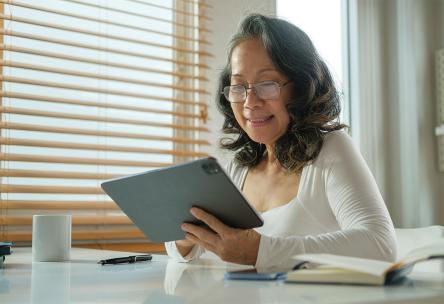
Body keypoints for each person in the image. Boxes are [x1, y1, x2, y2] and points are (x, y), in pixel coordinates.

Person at [165, 14, 397, 269]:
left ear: (301, 87)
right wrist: (186, 236)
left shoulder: (330, 150)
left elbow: (380, 244)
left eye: (267, 84)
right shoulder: (239, 167)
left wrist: (259, 251)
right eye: (239, 86)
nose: (250, 102)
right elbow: (182, 253)